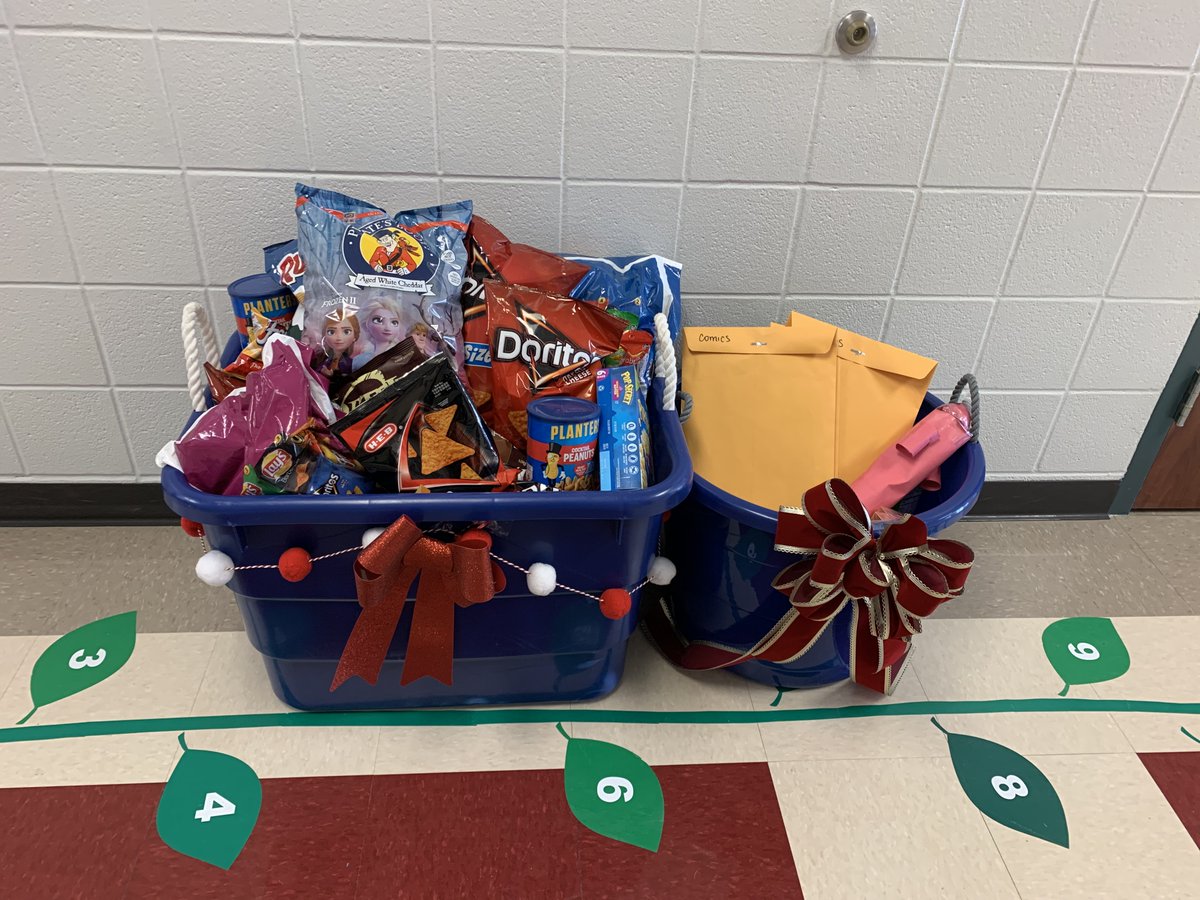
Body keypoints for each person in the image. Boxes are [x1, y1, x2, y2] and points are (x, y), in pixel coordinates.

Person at [352, 298, 405, 367]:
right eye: (378, 320)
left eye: (394, 322)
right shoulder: (359, 360)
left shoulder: (403, 357)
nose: (387, 328)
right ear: (365, 325)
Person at [314, 309, 360, 378]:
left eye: (346, 332)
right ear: (324, 336)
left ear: (355, 336)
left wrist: (334, 376)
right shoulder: (325, 361)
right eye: (331, 332)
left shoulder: (353, 364)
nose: (339, 337)